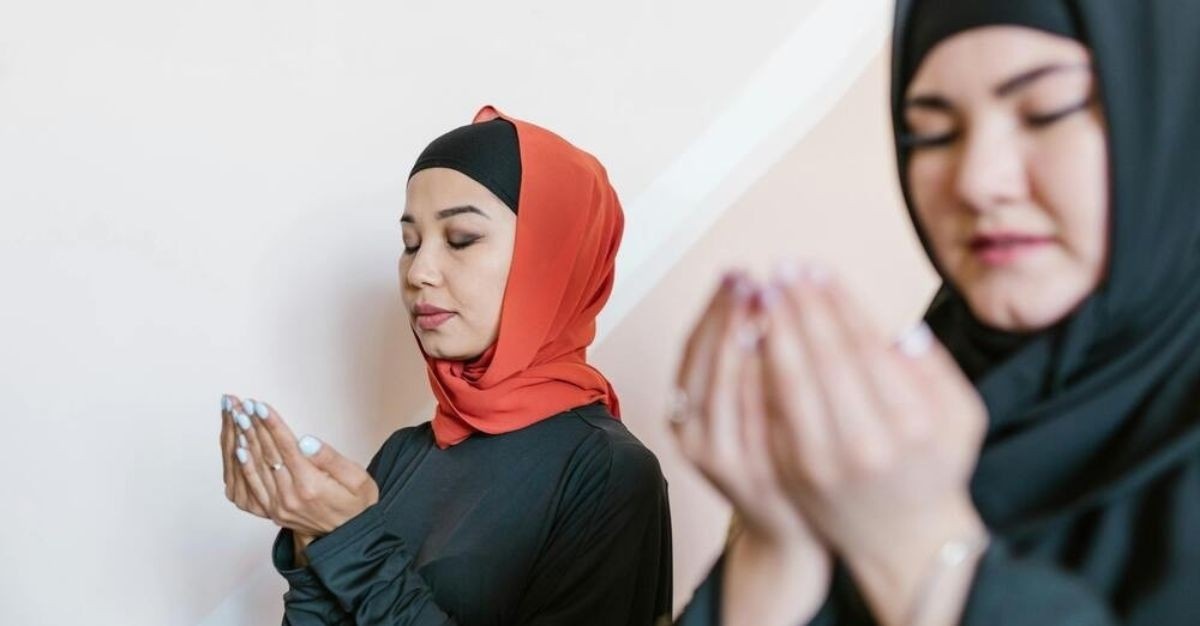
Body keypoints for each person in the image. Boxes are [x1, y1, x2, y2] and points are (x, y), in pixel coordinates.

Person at [673, 0, 1200, 624]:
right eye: (932, 133)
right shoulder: (901, 415)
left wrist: (919, 548)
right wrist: (778, 546)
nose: (977, 180)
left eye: (1045, 111)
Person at [219, 105, 672, 625]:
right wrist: (311, 532)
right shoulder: (403, 455)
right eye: (410, 243)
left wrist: (351, 542)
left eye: (461, 239)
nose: (420, 271)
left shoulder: (608, 472)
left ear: (549, 259)